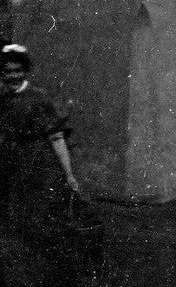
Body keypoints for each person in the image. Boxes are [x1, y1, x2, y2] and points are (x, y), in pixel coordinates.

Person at [0, 43, 82, 285]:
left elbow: (56, 138)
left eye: (17, 70)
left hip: (37, 166)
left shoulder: (38, 98)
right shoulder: (3, 99)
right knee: (12, 225)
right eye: (7, 71)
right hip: (9, 165)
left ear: (25, 71)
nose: (13, 75)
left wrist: (68, 174)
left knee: (39, 223)